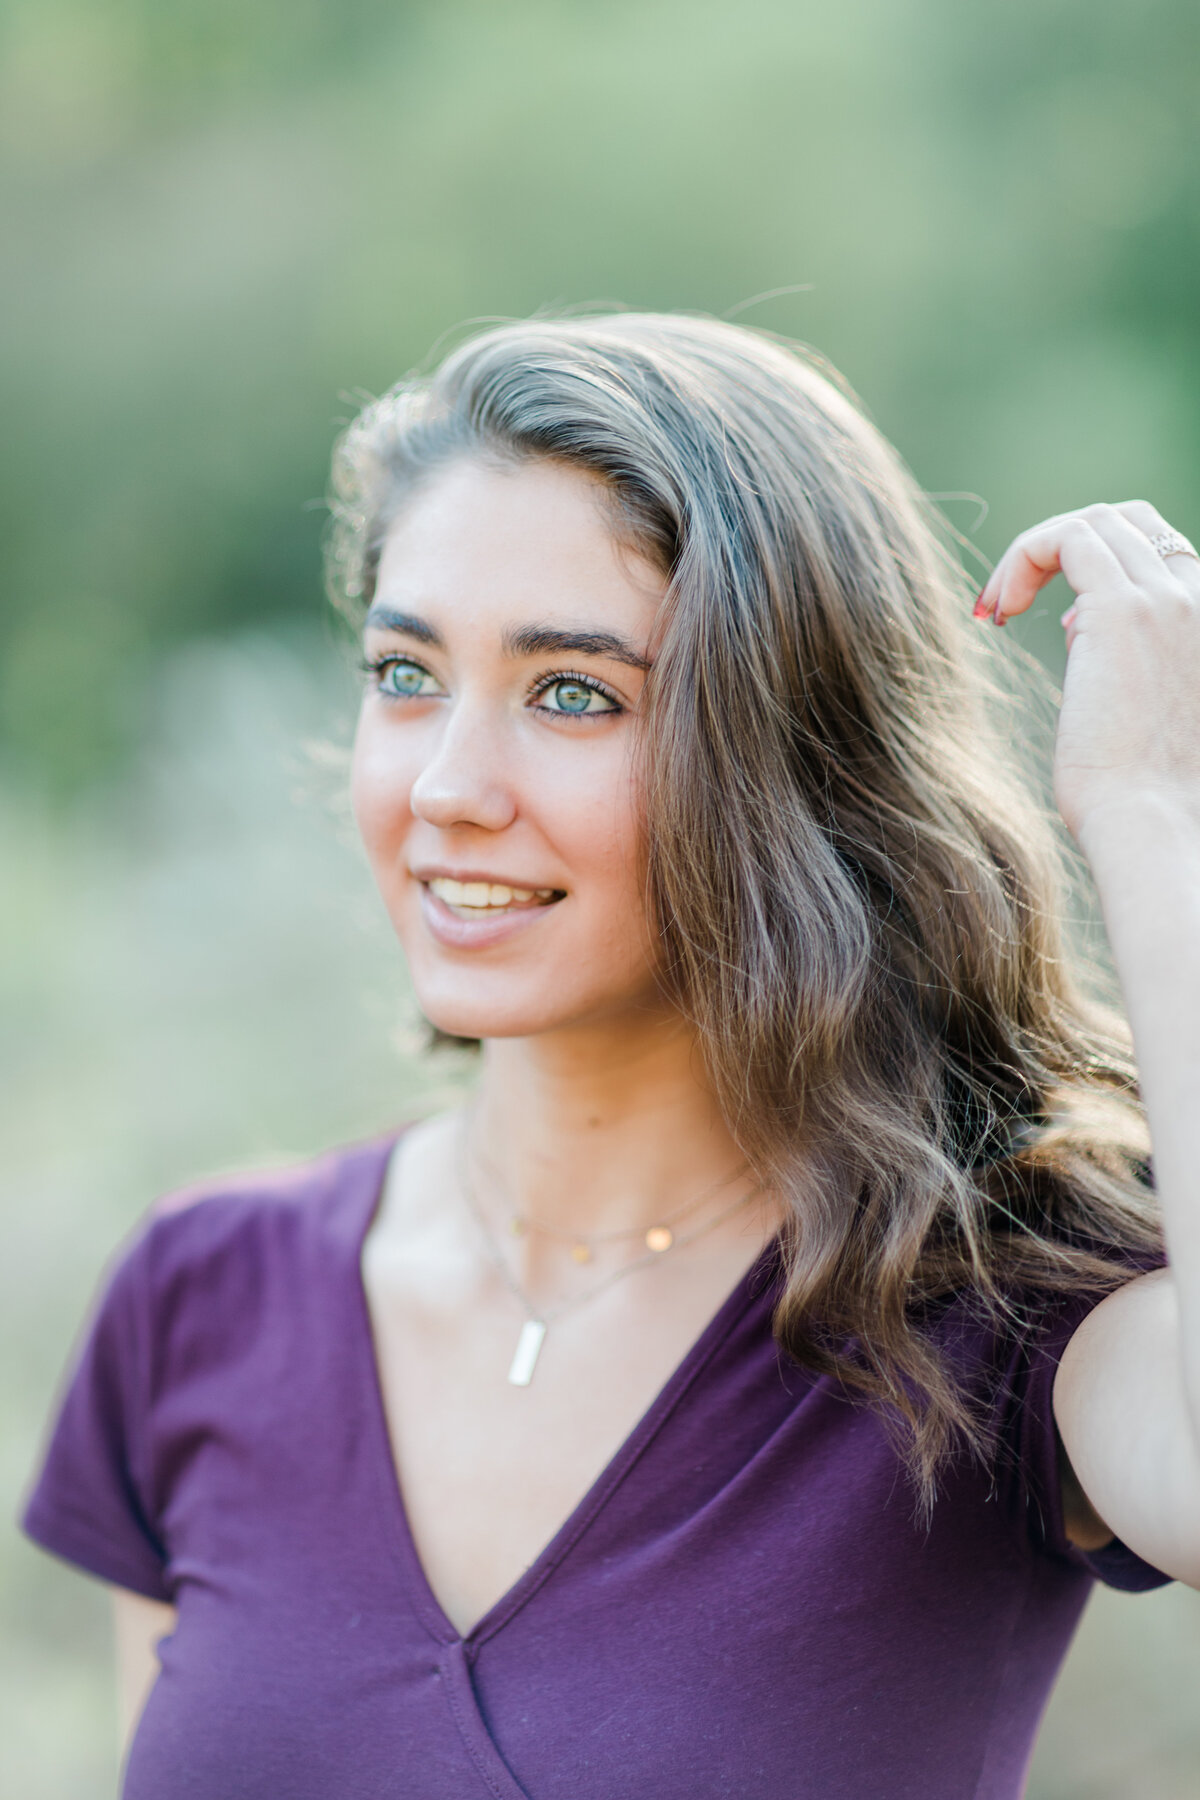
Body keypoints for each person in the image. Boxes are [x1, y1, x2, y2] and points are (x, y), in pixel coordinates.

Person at [21, 313, 1200, 1799]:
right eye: (405, 673)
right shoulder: (203, 1300)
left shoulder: (995, 1313)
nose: (449, 784)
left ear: (786, 748)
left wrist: (1153, 815)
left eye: (573, 692)